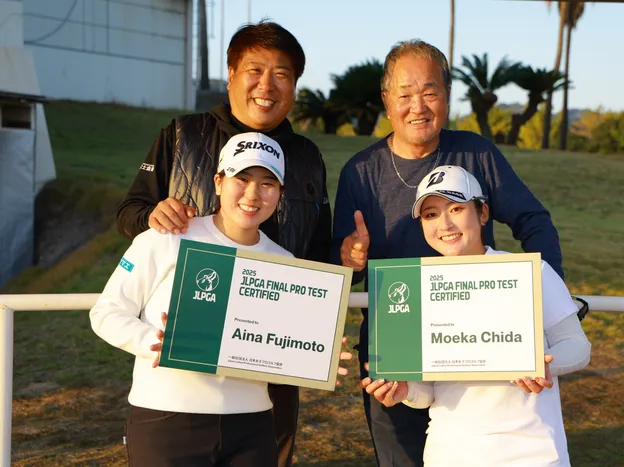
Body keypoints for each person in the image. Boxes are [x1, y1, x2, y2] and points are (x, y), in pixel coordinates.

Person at [332, 39, 566, 466]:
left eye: (430, 92)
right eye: (405, 94)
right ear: (386, 100)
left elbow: (533, 221)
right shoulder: (360, 172)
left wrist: (546, 302)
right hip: (397, 345)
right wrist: (350, 259)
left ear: (447, 95)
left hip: (476, 338)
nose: (417, 106)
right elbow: (345, 271)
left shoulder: (476, 152)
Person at [115, 21, 331, 467]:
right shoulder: (181, 134)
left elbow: (317, 256)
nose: (267, 86)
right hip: (183, 376)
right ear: (231, 74)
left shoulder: (308, 156)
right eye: (255, 70)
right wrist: (153, 217)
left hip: (269, 363)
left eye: (282, 74)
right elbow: (130, 211)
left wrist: (346, 264)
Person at [361, 165, 591, 466]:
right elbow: (428, 392)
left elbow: (578, 347)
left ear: (483, 213)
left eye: (456, 209)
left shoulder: (530, 272)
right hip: (449, 453)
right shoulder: (416, 285)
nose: (444, 224)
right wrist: (404, 390)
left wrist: (544, 365)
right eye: (431, 214)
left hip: (533, 453)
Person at [91, 133, 293, 466]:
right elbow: (106, 312)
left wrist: (319, 354)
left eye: (267, 184)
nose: (253, 194)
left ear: (280, 193)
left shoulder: (285, 262)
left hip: (251, 423)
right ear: (218, 182)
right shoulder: (167, 237)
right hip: (167, 416)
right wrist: (158, 343)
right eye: (241, 179)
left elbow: (283, 343)